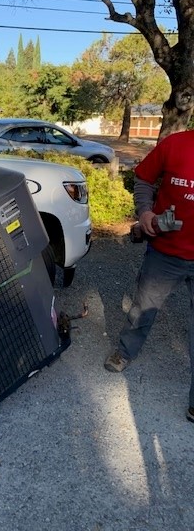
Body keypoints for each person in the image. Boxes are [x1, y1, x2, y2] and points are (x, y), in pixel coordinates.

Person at [104, 128, 194, 422]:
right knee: (142, 308)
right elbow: (143, 179)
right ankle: (125, 351)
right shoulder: (175, 144)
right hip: (166, 252)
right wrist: (144, 213)